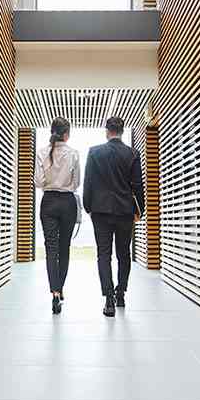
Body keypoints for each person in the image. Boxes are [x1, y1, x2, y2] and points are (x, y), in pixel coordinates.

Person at [83, 116, 145, 317]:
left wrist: (88, 206)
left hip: (100, 211)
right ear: (122, 131)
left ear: (107, 131)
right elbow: (137, 185)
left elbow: (88, 181)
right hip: (125, 211)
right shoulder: (133, 154)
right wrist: (140, 209)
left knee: (103, 255)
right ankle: (121, 293)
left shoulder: (94, 152)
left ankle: (108, 298)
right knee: (123, 254)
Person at [35, 117, 80, 315]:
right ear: (67, 134)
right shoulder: (74, 154)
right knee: (64, 247)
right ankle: (60, 288)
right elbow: (76, 182)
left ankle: (54, 293)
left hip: (49, 202)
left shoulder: (42, 152)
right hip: (68, 203)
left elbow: (38, 181)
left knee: (51, 248)